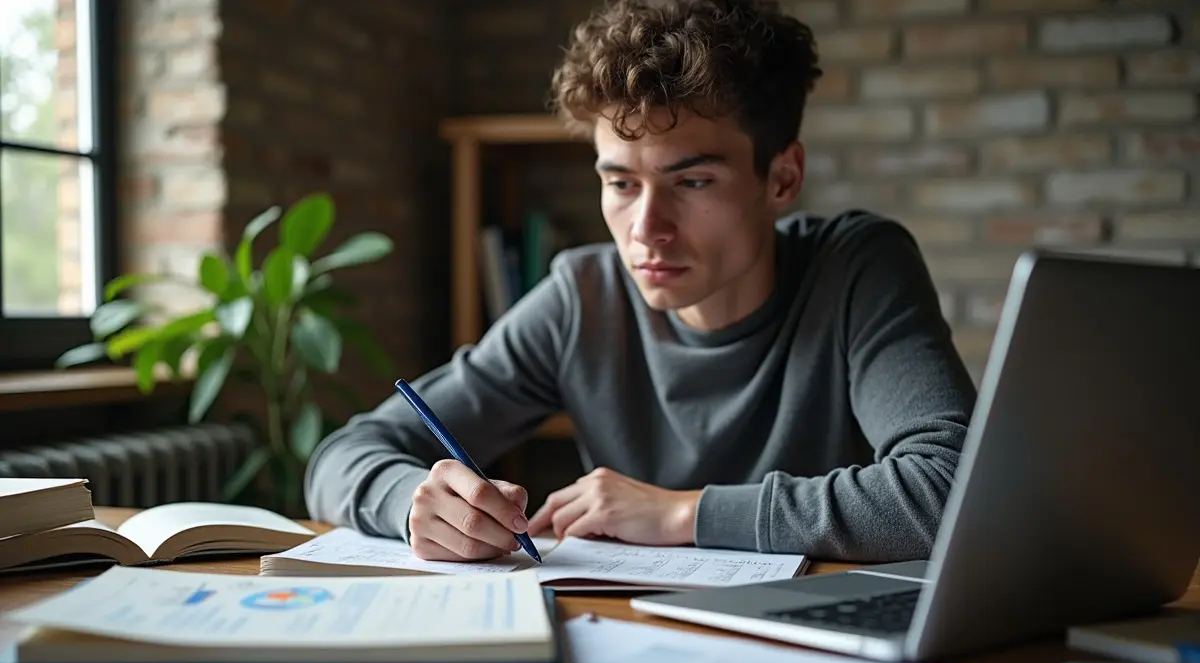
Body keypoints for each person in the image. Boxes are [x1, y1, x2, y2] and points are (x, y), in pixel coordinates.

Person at [304, 0, 977, 564]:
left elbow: (954, 490)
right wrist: (415, 506)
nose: (645, 229)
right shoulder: (583, 300)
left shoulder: (856, 268)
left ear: (782, 178)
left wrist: (684, 513)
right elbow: (342, 456)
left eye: (692, 182)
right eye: (621, 183)